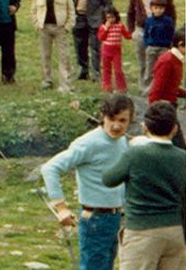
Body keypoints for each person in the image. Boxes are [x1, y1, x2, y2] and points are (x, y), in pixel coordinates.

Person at [42, 93, 133, 270]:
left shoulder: (122, 140)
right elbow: (50, 168)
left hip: (116, 218)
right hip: (95, 220)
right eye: (111, 119)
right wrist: (61, 207)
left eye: (123, 121)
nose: (116, 126)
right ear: (102, 116)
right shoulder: (88, 143)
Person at [102, 100, 186, 270]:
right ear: (175, 129)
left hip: (142, 230)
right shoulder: (184, 157)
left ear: (145, 127)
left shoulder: (135, 154)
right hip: (175, 230)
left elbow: (109, 179)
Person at [125, 0, 177, 91]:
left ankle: (160, 87)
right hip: (142, 28)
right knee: (143, 59)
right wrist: (131, 30)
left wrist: (170, 29)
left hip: (160, 29)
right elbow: (130, 12)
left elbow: (172, 10)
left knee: (161, 60)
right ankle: (145, 88)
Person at [32, 0, 76, 92]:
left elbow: (71, 10)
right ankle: (47, 80)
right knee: (45, 54)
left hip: (60, 27)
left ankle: (65, 82)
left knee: (64, 56)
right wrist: (37, 24)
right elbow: (34, 10)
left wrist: (68, 26)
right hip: (44, 27)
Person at [72, 0, 113, 81]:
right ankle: (83, 70)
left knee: (96, 47)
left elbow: (107, 2)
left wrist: (105, 19)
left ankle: (97, 73)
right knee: (79, 45)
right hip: (79, 17)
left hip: (95, 19)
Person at [147, 27, 186, 149]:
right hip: (164, 108)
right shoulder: (168, 61)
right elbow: (156, 89)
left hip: (170, 105)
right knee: (178, 144)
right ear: (180, 44)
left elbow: (171, 86)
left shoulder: (177, 59)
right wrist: (154, 113)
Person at [97, 8, 131, 93]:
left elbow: (127, 35)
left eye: (112, 17)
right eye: (108, 18)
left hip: (116, 52)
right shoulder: (103, 27)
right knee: (106, 69)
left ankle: (122, 87)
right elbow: (101, 37)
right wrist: (106, 29)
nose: (110, 20)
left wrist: (132, 34)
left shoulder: (120, 26)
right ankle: (107, 86)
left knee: (118, 70)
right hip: (106, 51)